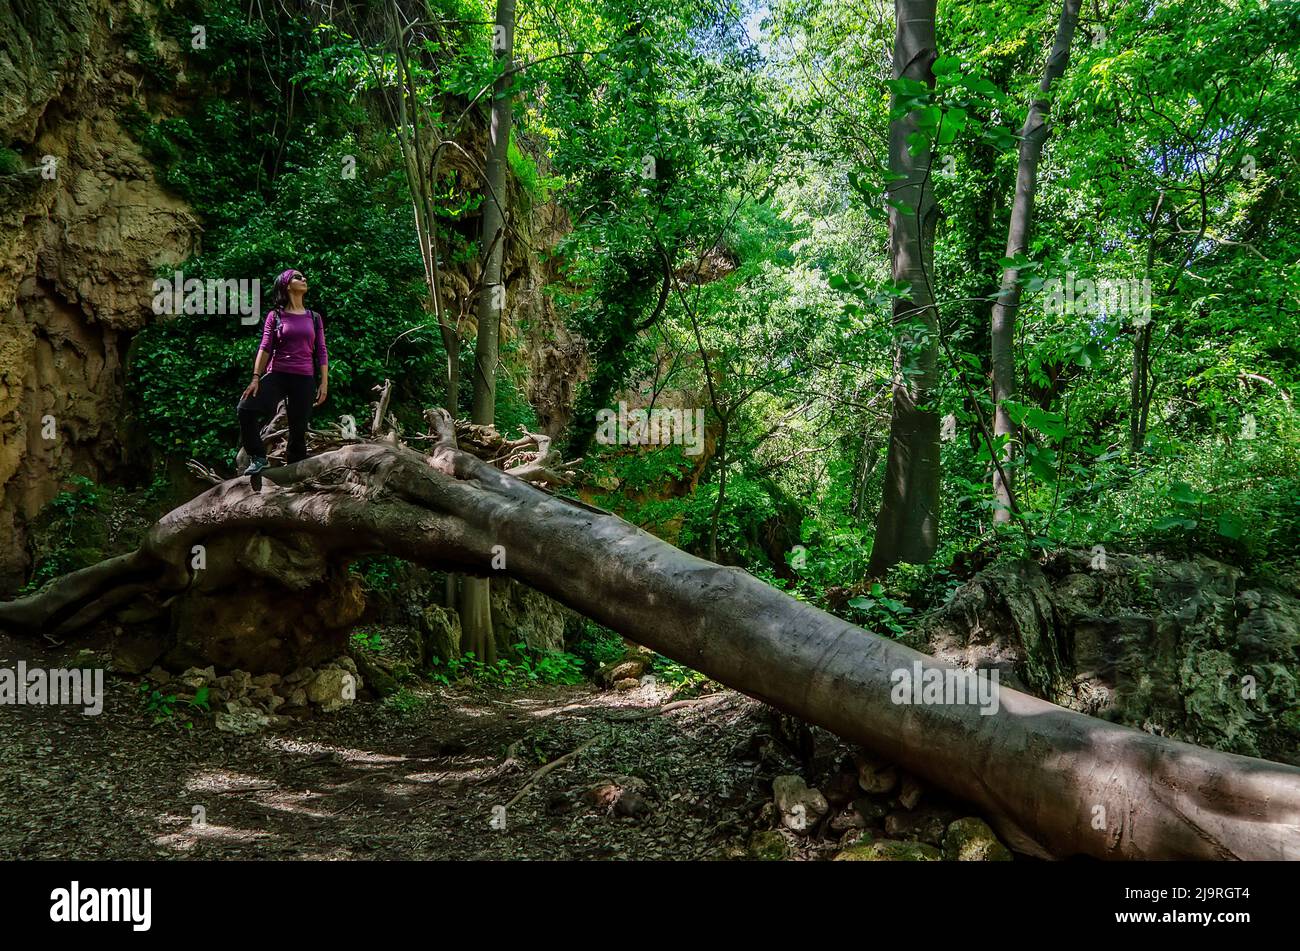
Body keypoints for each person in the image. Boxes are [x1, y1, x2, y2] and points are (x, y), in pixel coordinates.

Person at [237, 268, 329, 475]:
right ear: (287, 285)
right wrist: (255, 378)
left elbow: (321, 350)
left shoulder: (314, 317)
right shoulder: (275, 315)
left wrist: (324, 382)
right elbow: (265, 347)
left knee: (299, 429)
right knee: (245, 408)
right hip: (278, 374)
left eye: (304, 276)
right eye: (298, 277)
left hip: (304, 377)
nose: (304, 278)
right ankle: (258, 457)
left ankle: (294, 471)